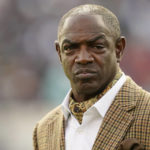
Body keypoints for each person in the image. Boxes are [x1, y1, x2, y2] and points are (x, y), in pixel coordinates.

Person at [33, 4, 150, 150]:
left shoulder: (146, 113)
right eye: (70, 48)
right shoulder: (44, 130)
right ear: (59, 53)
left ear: (119, 48)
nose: (82, 58)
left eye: (97, 46)